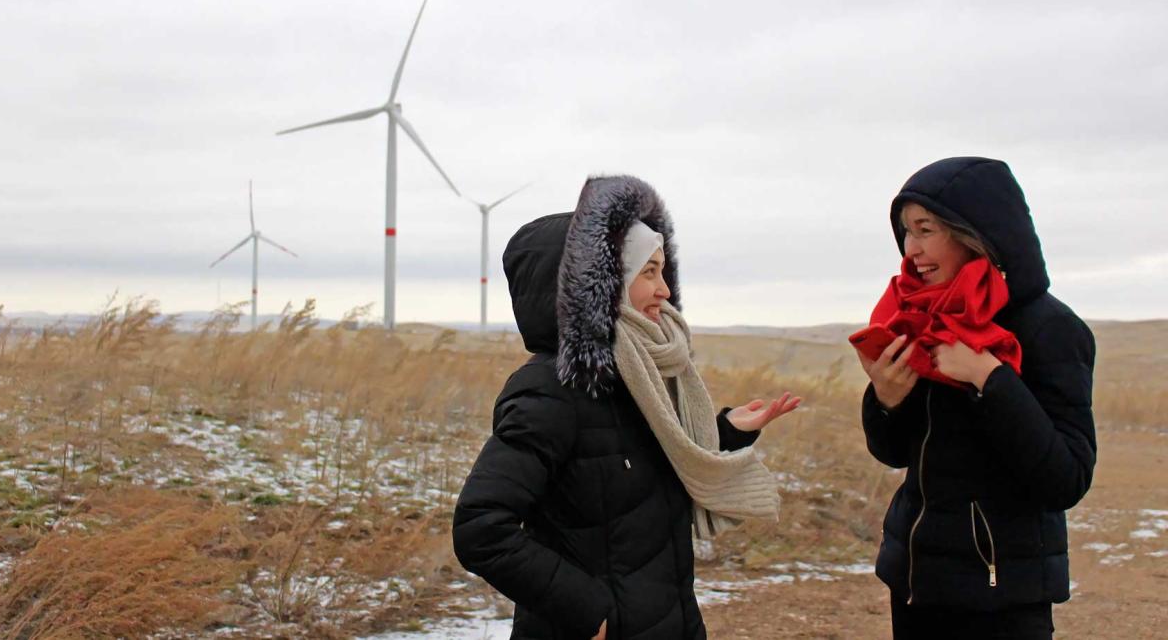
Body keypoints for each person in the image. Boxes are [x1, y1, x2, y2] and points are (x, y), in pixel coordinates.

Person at [453, 175, 800, 639]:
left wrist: (726, 430)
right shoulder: (552, 391)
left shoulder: (638, 378)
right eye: (648, 273)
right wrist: (589, 610)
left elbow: (644, 479)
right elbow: (480, 527)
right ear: (600, 285)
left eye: (663, 271)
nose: (666, 291)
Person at [856, 157, 1097, 639]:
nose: (911, 249)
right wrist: (884, 400)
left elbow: (1066, 478)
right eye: (905, 231)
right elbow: (894, 452)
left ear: (975, 232)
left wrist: (990, 377)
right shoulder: (921, 318)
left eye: (925, 229)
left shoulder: (1050, 329)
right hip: (916, 581)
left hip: (1001, 593)